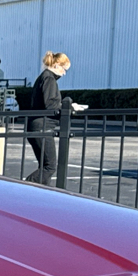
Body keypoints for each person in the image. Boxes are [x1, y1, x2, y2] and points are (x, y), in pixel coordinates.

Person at [24, 51, 86, 184]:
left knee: (45, 166)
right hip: (42, 127)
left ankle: (38, 192)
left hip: (37, 126)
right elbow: (51, 105)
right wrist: (69, 108)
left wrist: (68, 106)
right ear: (57, 65)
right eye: (64, 69)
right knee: (49, 166)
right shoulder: (49, 79)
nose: (64, 73)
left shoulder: (45, 77)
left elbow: (49, 103)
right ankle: (25, 187)